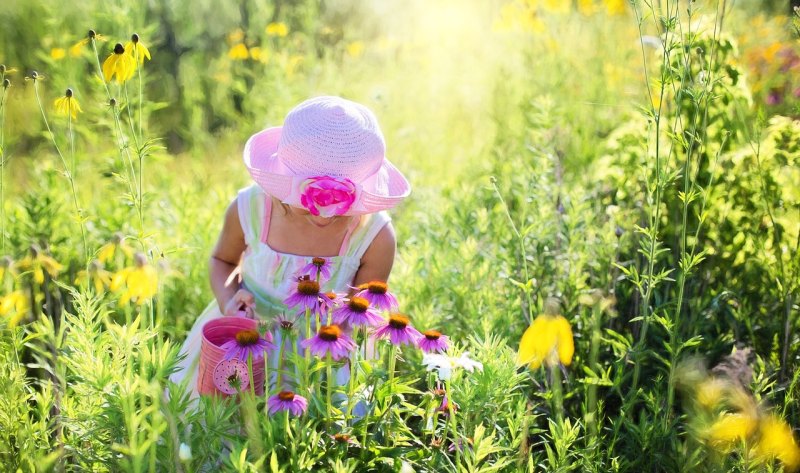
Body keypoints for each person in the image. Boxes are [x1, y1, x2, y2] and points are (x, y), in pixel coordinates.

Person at [170, 95, 410, 398]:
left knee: (318, 429)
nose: (325, 212)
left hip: (321, 352)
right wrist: (228, 300)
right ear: (281, 183)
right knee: (224, 422)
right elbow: (222, 260)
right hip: (248, 335)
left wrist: (339, 341)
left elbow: (361, 311)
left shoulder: (374, 236)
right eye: (313, 202)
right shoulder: (251, 210)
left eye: (339, 204)